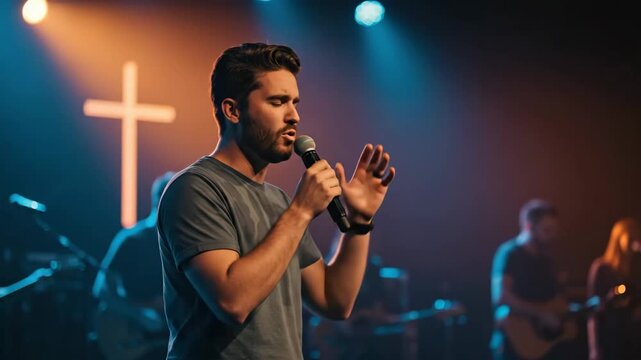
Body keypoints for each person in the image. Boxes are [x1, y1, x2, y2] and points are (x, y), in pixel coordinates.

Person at [157, 43, 395, 360]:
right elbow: (232, 302)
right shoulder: (195, 189)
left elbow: (333, 300)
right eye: (277, 102)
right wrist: (301, 211)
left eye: (295, 103)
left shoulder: (278, 201)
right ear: (233, 111)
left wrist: (359, 222)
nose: (294, 116)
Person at [92, 172, 174, 360]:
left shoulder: (179, 244)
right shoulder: (132, 240)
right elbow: (101, 289)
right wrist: (138, 314)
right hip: (135, 338)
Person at [490, 199, 571, 360]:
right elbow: (501, 297)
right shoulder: (510, 254)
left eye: (554, 230)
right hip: (515, 343)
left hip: (543, 346)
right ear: (528, 226)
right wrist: (541, 314)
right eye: (547, 230)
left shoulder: (546, 259)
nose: (552, 236)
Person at [587, 218, 641, 360]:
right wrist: (594, 348)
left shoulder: (636, 270)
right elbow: (593, 310)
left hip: (633, 338)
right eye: (631, 237)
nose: (635, 243)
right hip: (610, 337)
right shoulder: (602, 268)